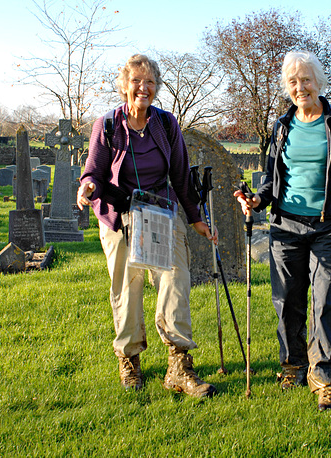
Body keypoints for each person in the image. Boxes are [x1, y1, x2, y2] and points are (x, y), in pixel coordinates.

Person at [78, 54, 217, 398]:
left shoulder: (167, 125)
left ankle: (179, 364)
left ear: (157, 88)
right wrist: (87, 187)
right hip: (119, 214)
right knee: (128, 287)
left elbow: (182, 176)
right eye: (137, 81)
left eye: (150, 82)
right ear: (125, 86)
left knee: (175, 279)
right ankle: (129, 359)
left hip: (159, 211)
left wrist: (197, 219)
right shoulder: (107, 124)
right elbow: (93, 170)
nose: (144, 88)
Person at [234, 50, 331, 411]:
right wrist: (257, 200)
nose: (300, 87)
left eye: (306, 80)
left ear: (319, 83)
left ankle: (325, 377)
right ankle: (293, 364)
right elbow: (272, 177)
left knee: (326, 301)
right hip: (286, 225)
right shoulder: (281, 126)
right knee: (287, 300)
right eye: (293, 81)